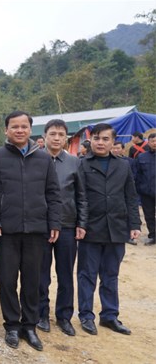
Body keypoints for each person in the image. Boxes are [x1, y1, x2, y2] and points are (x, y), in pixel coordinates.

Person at [0, 110, 62, 351]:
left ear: (30, 129)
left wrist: (54, 223)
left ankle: (30, 326)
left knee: (32, 281)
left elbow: (53, 194)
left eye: (24, 126)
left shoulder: (44, 159)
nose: (19, 130)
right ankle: (12, 326)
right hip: (6, 230)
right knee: (7, 280)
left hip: (37, 229)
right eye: (14, 127)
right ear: (6, 130)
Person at [77, 123, 141, 336]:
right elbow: (79, 197)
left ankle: (110, 315)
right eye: (96, 138)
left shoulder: (123, 166)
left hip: (116, 228)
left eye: (105, 139)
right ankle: (86, 315)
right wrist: (80, 224)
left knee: (111, 275)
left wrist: (134, 224)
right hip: (90, 229)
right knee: (87, 275)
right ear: (91, 141)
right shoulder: (82, 164)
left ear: (114, 142)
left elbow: (131, 197)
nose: (100, 142)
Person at [37, 119, 88, 337]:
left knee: (66, 274)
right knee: (41, 274)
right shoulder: (35, 160)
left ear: (66, 137)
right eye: (52, 134)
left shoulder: (75, 162)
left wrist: (82, 223)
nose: (57, 138)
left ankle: (64, 316)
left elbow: (82, 196)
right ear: (45, 136)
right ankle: (40, 314)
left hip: (67, 225)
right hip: (41, 226)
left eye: (61, 134)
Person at [134, 133, 155, 245]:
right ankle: (153, 235)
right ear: (149, 142)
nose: (155, 143)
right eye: (152, 141)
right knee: (149, 215)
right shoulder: (142, 157)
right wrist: (139, 188)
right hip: (146, 192)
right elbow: (137, 174)